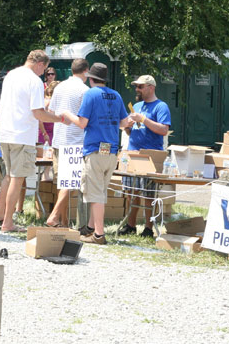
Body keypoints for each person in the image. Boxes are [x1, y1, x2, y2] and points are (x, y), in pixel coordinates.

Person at [59, 62, 130, 245]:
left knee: (95, 194)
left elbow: (82, 123)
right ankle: (90, 228)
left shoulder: (90, 94)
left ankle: (99, 234)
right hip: (112, 151)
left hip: (94, 149)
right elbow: (124, 123)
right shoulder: (116, 95)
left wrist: (67, 114)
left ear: (91, 78)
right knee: (100, 191)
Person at [0, 50, 64, 233]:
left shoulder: (11, 75)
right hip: (22, 135)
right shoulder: (34, 81)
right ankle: (7, 222)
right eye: (44, 70)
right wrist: (59, 119)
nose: (43, 74)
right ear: (40, 64)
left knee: (9, 176)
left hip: (4, 132)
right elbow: (38, 113)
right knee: (17, 179)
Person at [119, 75, 171, 237]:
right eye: (137, 86)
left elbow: (163, 130)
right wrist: (127, 126)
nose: (137, 89)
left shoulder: (161, 106)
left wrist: (143, 119)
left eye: (140, 86)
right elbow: (131, 130)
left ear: (151, 87)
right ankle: (131, 225)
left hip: (150, 155)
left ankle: (148, 228)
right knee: (131, 193)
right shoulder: (137, 105)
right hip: (133, 152)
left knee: (148, 195)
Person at [44, 59, 89, 229]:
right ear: (86, 71)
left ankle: (62, 221)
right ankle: (55, 217)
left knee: (62, 182)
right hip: (75, 140)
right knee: (70, 183)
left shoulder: (60, 86)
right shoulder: (85, 90)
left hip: (58, 139)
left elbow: (51, 112)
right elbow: (85, 118)